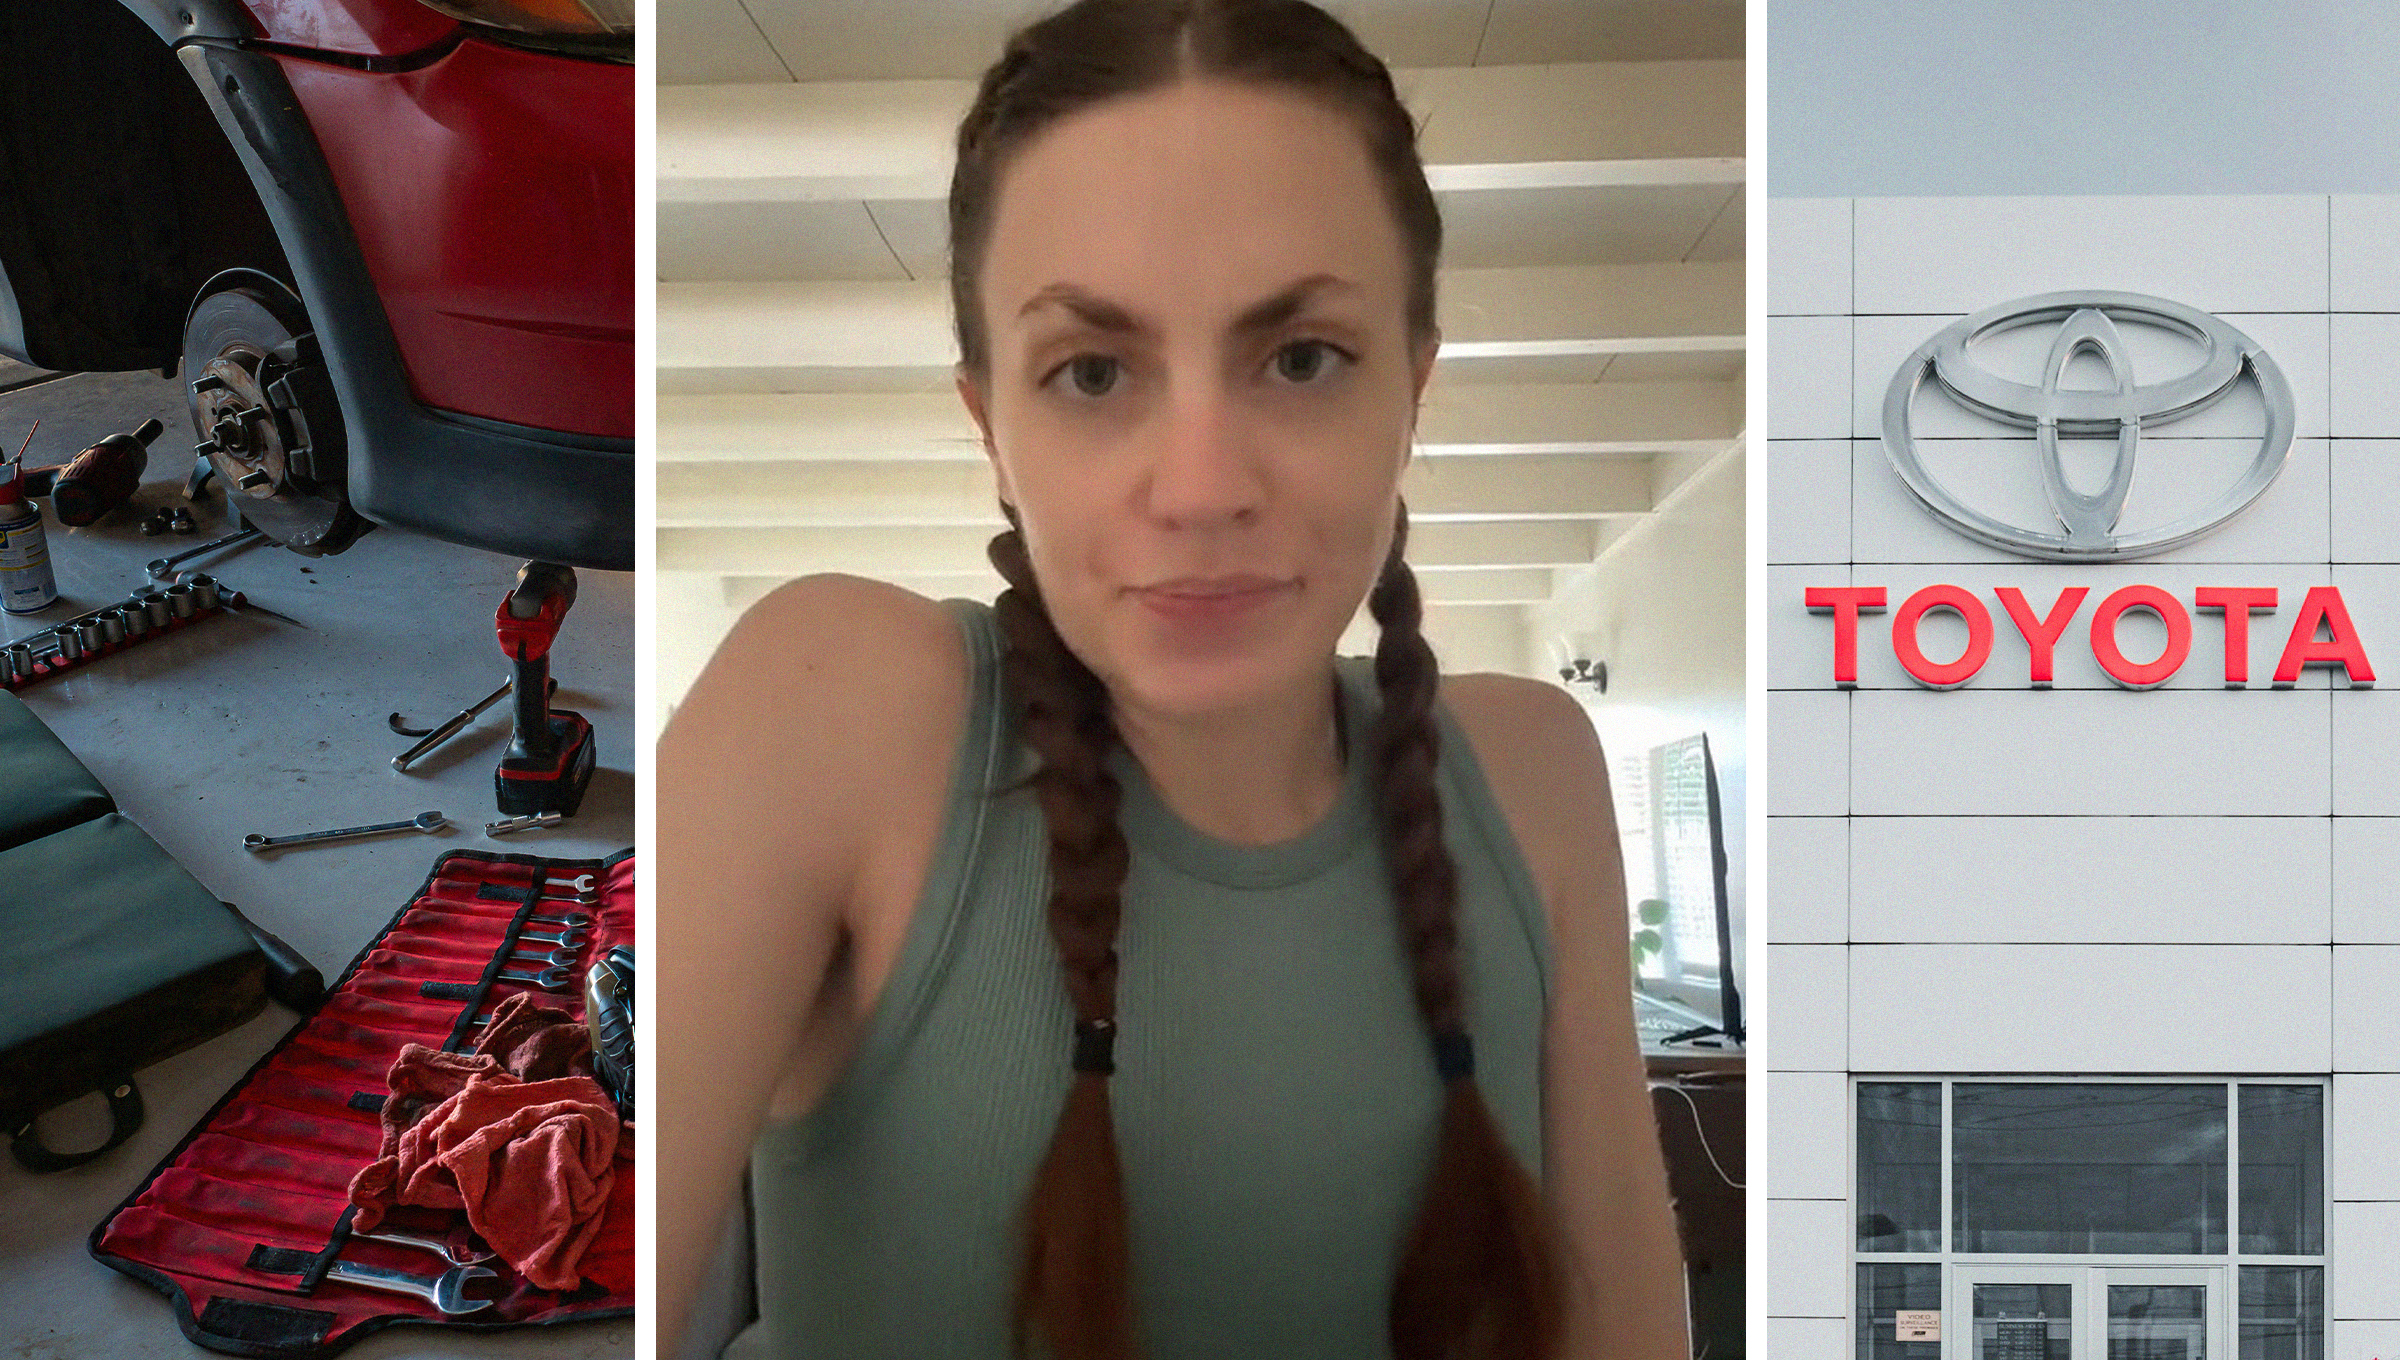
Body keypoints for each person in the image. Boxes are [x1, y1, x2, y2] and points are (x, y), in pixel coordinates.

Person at [657, 1, 1688, 1356]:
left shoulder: (1532, 773)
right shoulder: (841, 706)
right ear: (992, 429)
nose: (1202, 489)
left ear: (1414, 395)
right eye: (1092, 372)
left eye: (1302, 358)